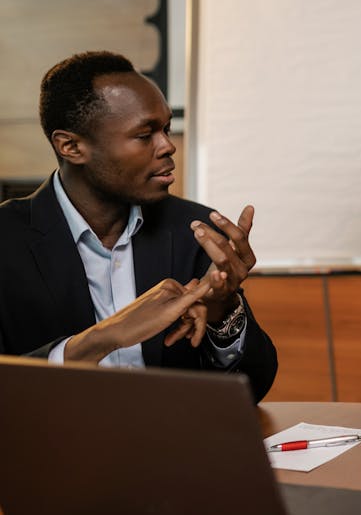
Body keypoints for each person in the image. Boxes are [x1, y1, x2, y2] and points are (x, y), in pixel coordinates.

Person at [0, 51, 278, 401]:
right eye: (145, 134)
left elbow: (253, 389)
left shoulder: (197, 231)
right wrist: (106, 336)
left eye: (165, 128)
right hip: (51, 450)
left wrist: (224, 312)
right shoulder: (7, 241)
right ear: (71, 146)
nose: (168, 145)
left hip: (174, 449)